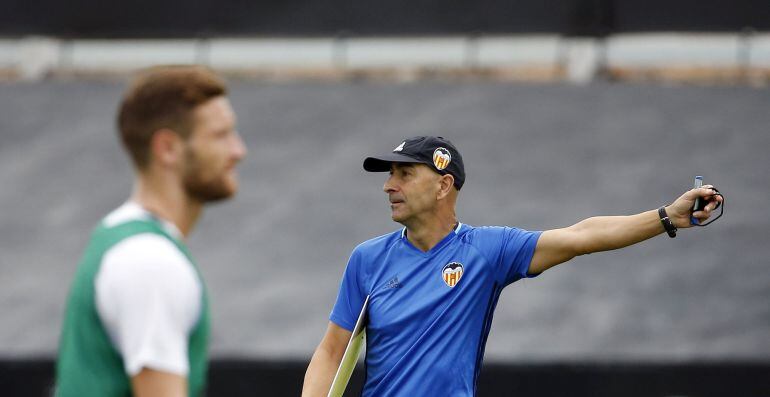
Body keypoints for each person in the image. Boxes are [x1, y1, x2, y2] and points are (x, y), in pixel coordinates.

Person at [302, 136, 722, 396]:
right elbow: (331, 351)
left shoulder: (487, 250)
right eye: (390, 174)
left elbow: (579, 236)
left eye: (404, 174)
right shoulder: (367, 259)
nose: (388, 185)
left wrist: (667, 216)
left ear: (443, 185)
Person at [55, 66, 247, 397]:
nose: (238, 151)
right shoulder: (150, 263)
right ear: (168, 148)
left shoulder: (120, 238)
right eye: (220, 135)